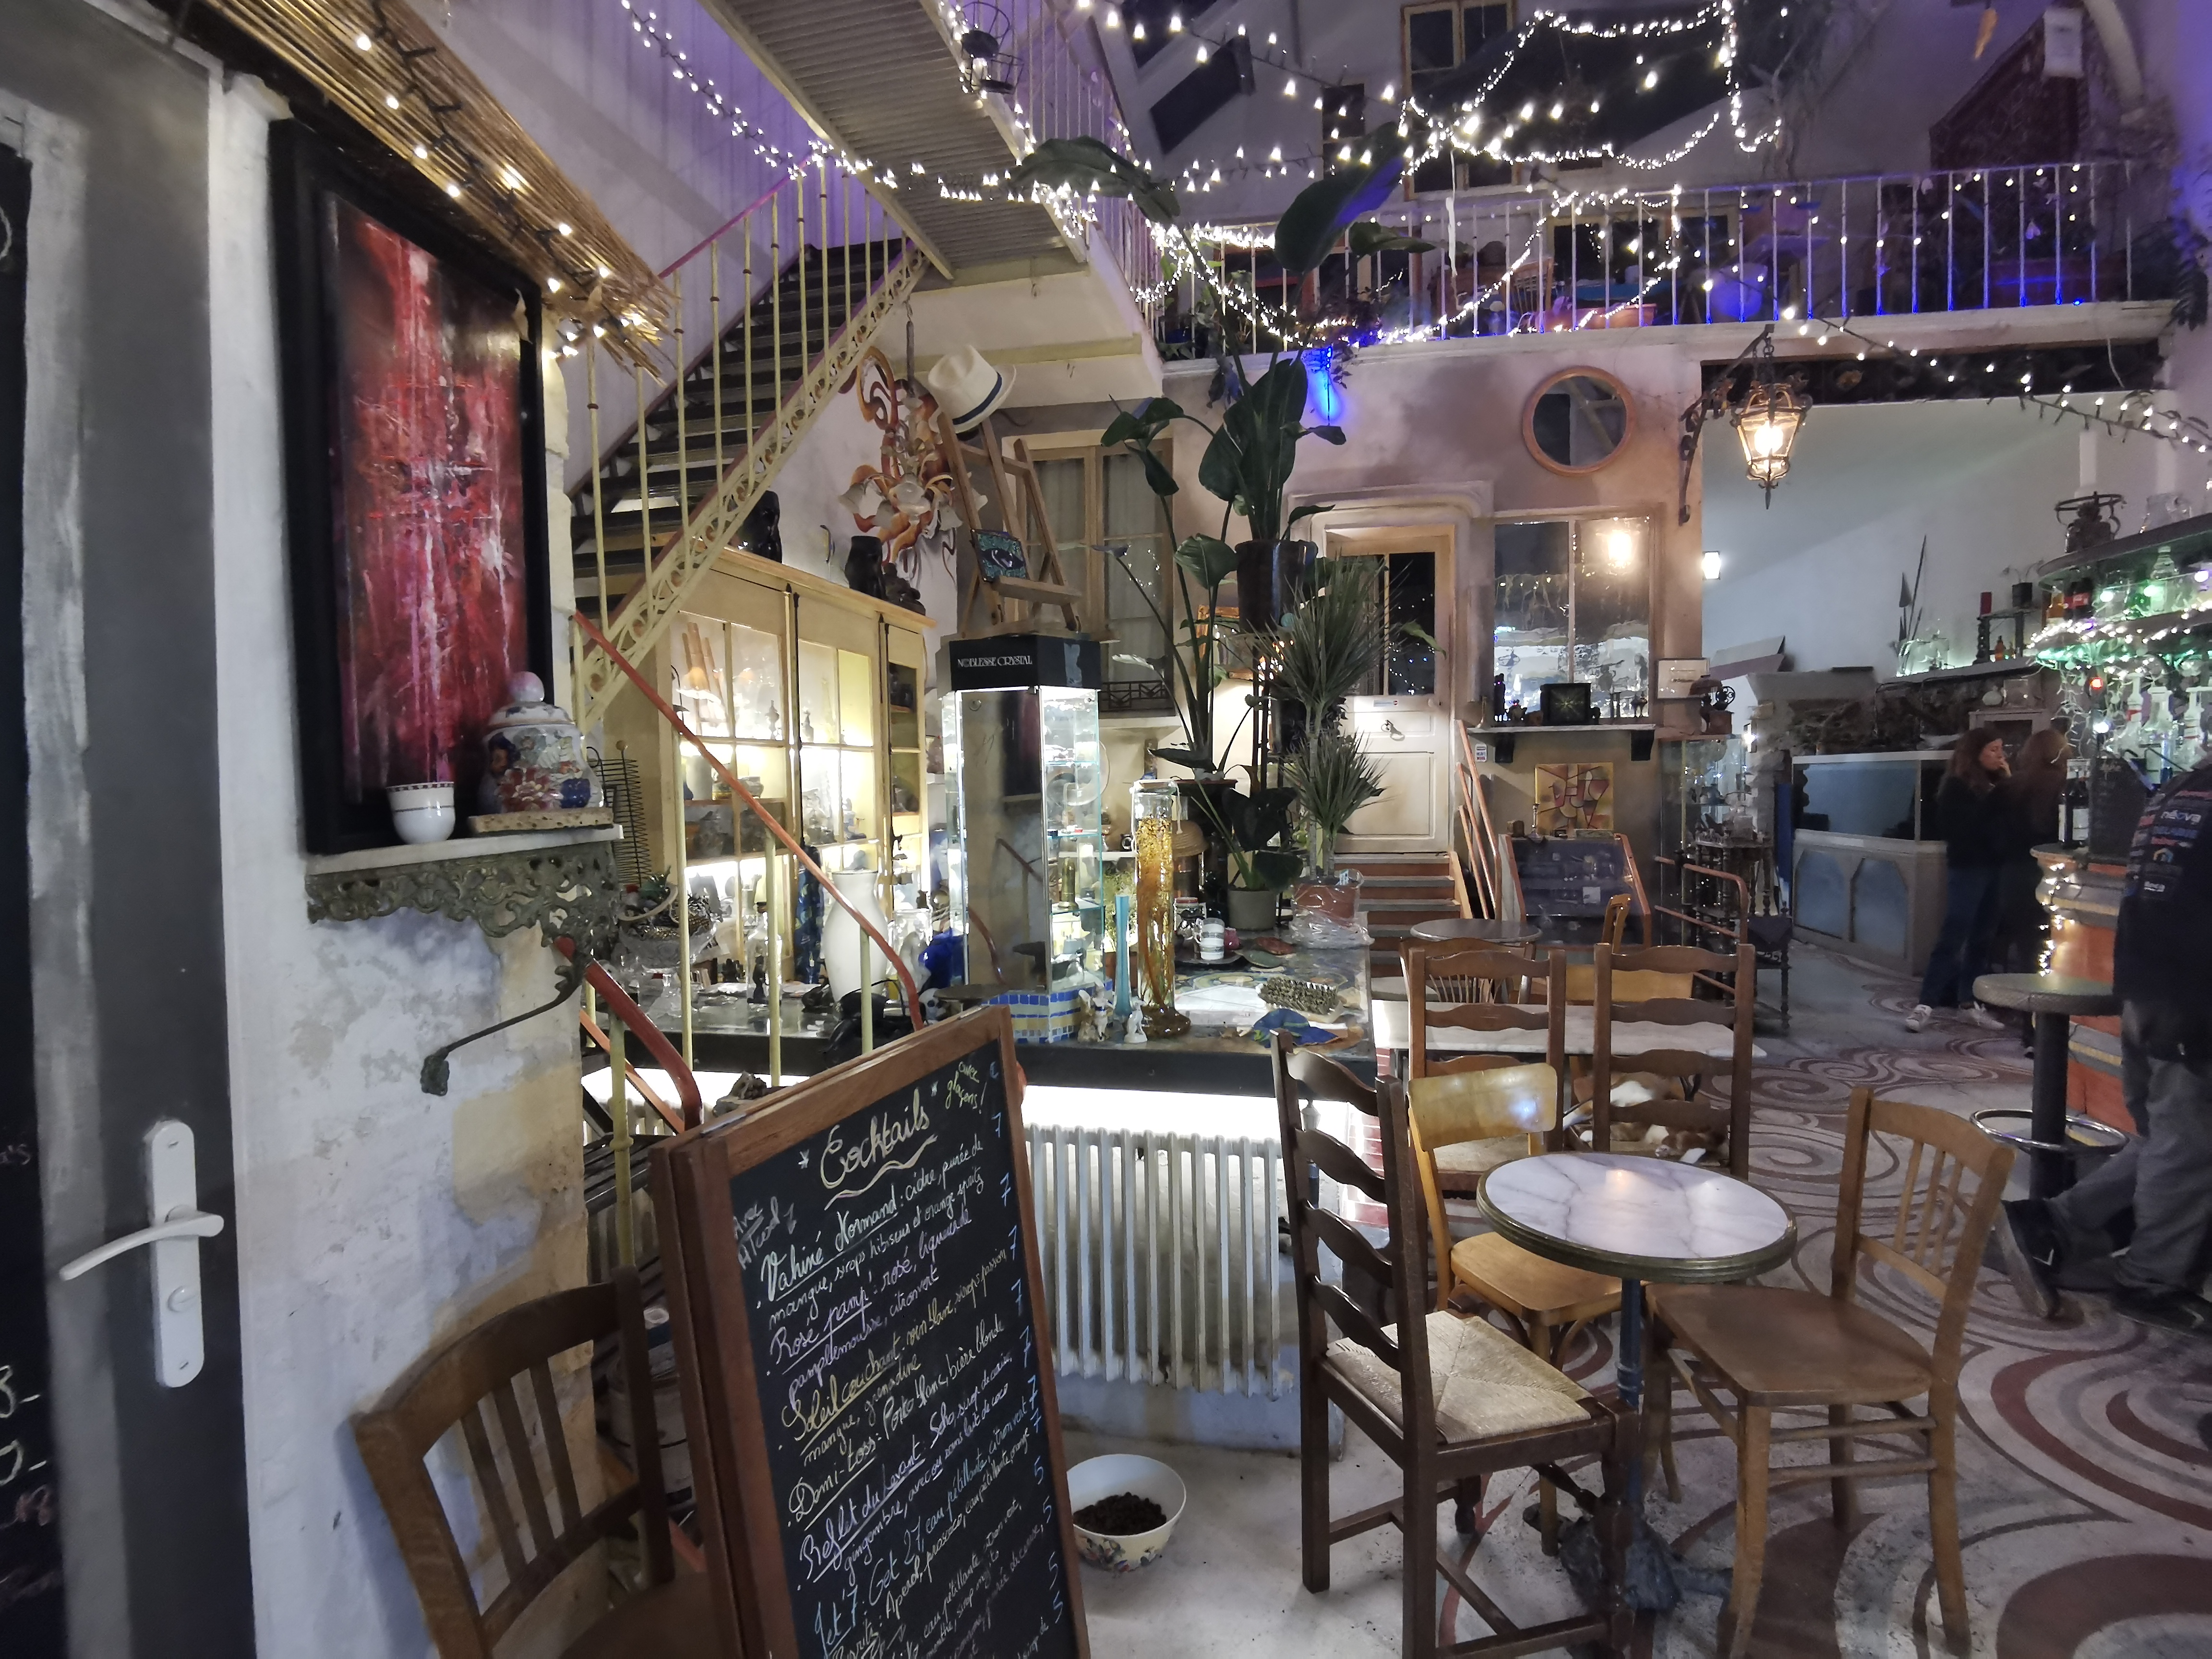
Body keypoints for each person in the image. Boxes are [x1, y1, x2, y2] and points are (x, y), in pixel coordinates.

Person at [1999, 751, 2212, 1334]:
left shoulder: (2178, 791)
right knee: (2186, 1147)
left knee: (2171, 1138)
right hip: (2194, 997)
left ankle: (2053, 1223)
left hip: (2144, 986)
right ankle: (2149, 1280)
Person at [1906, 729, 2012, 1034]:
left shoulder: (1999, 784)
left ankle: (1969, 1001)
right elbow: (1965, 829)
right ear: (1975, 753)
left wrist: (2007, 785)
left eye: (2001, 749)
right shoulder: (1957, 786)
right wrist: (1999, 796)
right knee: (1955, 933)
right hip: (1968, 868)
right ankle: (1927, 1002)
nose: (2000, 756)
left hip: (1996, 868)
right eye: (1993, 750)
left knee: (1983, 936)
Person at [1990, 727, 2071, 1043]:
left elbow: (1989, 834)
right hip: (2054, 876)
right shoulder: (2066, 786)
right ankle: (2052, 1030)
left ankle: (2031, 1031)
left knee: (2028, 954)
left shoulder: (2008, 787)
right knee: (2058, 954)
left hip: (2013, 877)